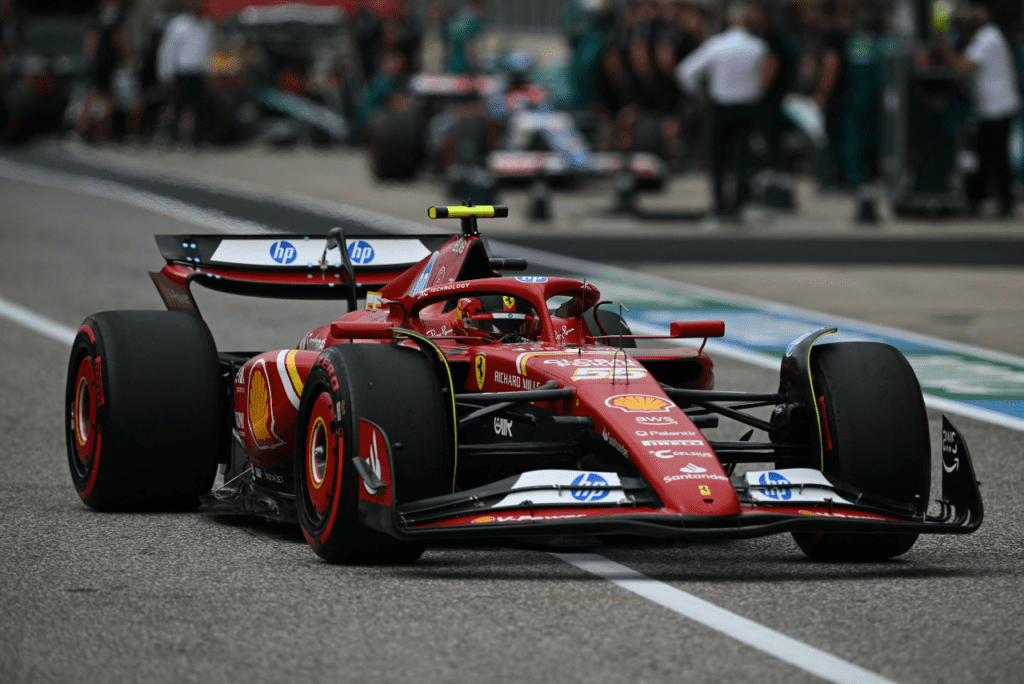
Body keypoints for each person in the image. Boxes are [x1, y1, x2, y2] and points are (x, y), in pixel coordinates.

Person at [677, 3, 773, 220]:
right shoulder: (757, 46)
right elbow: (766, 75)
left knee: (718, 158)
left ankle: (720, 202)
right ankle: (738, 203)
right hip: (748, 105)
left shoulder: (717, 45)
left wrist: (699, 95)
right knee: (742, 157)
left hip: (721, 107)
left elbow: (685, 71)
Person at [939, 2, 1020, 217]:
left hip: (999, 106)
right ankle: (980, 199)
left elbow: (966, 66)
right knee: (984, 155)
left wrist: (943, 52)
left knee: (996, 157)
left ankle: (1005, 203)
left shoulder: (989, 37)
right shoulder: (982, 38)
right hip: (989, 107)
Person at [156, 0, 213, 148]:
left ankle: (198, 140)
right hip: (182, 73)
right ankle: (170, 137)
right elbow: (168, 51)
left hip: (199, 72)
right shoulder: (177, 25)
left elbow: (209, 51)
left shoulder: (206, 25)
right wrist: (166, 73)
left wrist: (210, 72)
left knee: (200, 109)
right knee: (177, 107)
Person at [76, 0, 129, 142]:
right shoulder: (118, 18)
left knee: (95, 95)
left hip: (99, 64)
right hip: (109, 64)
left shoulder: (97, 17)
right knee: (108, 98)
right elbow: (120, 39)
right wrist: (126, 58)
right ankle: (100, 132)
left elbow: (91, 40)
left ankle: (84, 127)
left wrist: (89, 60)